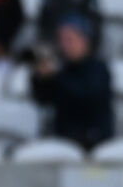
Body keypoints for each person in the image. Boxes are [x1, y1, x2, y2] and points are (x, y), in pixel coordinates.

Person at [30, 15, 114, 153]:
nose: (64, 45)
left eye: (70, 39)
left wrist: (56, 77)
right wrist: (40, 77)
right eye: (61, 40)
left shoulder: (98, 68)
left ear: (84, 40)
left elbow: (87, 97)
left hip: (95, 143)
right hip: (64, 143)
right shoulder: (62, 68)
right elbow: (42, 99)